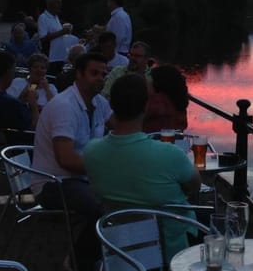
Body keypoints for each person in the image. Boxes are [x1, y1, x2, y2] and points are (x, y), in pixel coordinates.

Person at [84, 73, 200, 259]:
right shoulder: (170, 155)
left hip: (119, 247)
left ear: (111, 105)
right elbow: (195, 186)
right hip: (173, 254)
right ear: (146, 107)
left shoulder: (91, 152)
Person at [31, 51, 111, 271]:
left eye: (103, 74)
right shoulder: (65, 107)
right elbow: (65, 159)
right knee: (101, 208)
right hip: (53, 181)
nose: (100, 78)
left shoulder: (99, 102)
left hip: (80, 178)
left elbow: (121, 126)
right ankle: (78, 265)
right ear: (79, 74)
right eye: (94, 73)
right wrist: (105, 169)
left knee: (124, 196)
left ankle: (112, 252)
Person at [142, 65, 189, 133]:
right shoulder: (179, 100)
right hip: (175, 139)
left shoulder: (156, 102)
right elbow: (184, 125)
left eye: (150, 79)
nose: (147, 81)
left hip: (152, 140)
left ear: (158, 82)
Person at [37, 0, 73, 76]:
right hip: (50, 58)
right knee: (46, 79)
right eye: (58, 3)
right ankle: (32, 89)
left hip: (60, 57)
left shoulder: (56, 17)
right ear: (50, 4)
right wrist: (62, 32)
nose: (60, 5)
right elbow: (43, 38)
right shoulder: (43, 18)